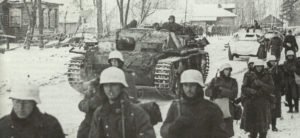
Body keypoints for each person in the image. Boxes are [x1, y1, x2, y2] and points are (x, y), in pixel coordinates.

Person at [77, 50, 138, 138]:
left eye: (116, 61)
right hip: (102, 105)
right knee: (85, 129)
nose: (114, 63)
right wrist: (91, 85)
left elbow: (131, 94)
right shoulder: (107, 73)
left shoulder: (126, 75)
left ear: (120, 62)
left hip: (118, 107)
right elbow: (99, 84)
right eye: (112, 61)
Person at [88, 67, 155, 138]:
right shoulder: (99, 113)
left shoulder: (137, 113)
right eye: (106, 85)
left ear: (121, 87)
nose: (109, 89)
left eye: (113, 85)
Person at [160, 69, 228, 138]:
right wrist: (173, 127)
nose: (188, 89)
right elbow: (163, 131)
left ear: (199, 87)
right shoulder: (176, 106)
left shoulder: (212, 108)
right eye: (185, 85)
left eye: (192, 85)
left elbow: (221, 135)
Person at [0, 82, 65, 138]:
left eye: (26, 102)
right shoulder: (3, 125)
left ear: (34, 103)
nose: (21, 107)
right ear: (12, 101)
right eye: (17, 102)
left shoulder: (50, 125)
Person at [240, 59, 274, 138]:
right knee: (253, 129)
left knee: (263, 129)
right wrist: (253, 91)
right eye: (257, 66)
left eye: (260, 67)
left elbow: (271, 88)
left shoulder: (268, 75)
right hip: (252, 103)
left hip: (263, 104)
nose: (259, 68)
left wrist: (261, 84)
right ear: (254, 67)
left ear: (263, 67)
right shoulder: (248, 75)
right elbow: (244, 88)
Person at [205, 63, 238, 137]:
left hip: (228, 109)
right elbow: (206, 92)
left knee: (227, 131)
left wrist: (221, 90)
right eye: (226, 70)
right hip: (216, 107)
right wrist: (213, 91)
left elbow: (234, 94)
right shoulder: (215, 80)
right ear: (222, 71)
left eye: (229, 70)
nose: (228, 71)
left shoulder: (233, 81)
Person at [266, 55, 284, 131]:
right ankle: (267, 125)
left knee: (275, 109)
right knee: (266, 109)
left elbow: (282, 80)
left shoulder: (278, 70)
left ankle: (273, 126)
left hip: (276, 91)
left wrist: (281, 89)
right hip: (267, 92)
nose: (273, 63)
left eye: (274, 61)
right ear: (269, 62)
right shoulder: (266, 70)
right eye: (271, 61)